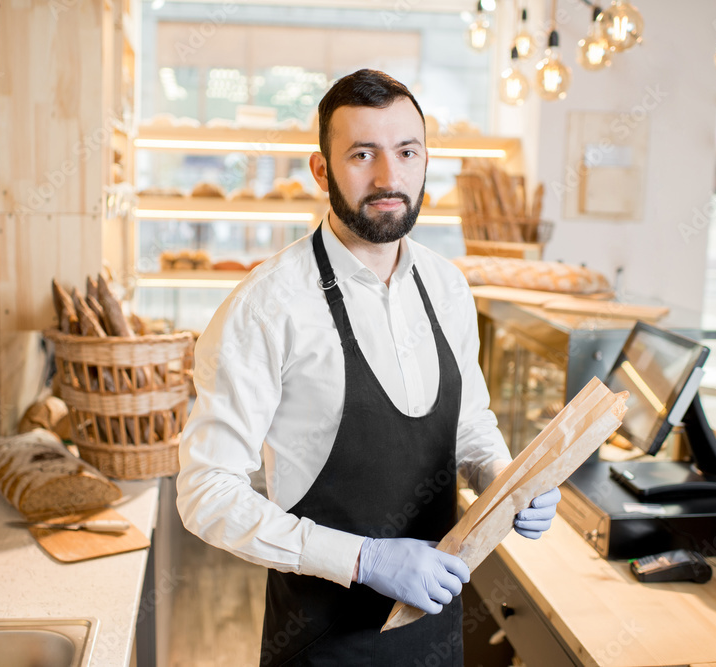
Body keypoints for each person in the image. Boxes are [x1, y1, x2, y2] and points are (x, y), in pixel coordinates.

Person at [176, 68, 561, 666]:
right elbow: (206, 493)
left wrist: (505, 480)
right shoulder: (267, 305)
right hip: (322, 642)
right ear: (322, 169)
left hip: (434, 626)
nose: (389, 177)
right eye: (362, 154)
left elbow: (469, 425)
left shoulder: (447, 286)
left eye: (407, 152)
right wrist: (366, 560)